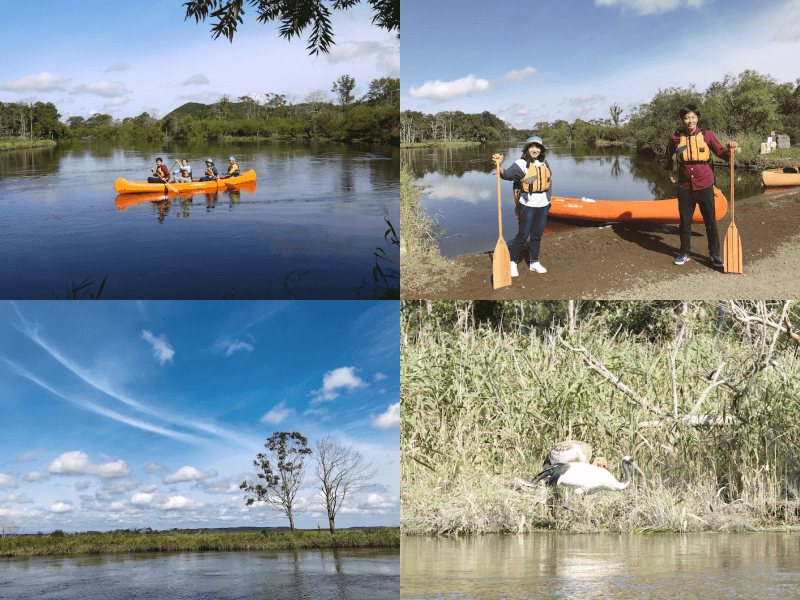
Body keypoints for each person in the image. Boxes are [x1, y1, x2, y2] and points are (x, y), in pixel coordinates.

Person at [664, 104, 738, 268]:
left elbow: (721, 152)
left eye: (692, 117)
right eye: (686, 117)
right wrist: (670, 173)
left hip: (705, 184)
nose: (690, 120)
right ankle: (684, 253)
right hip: (685, 186)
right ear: (683, 120)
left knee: (710, 222)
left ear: (697, 118)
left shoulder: (707, 135)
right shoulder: (675, 138)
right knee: (684, 222)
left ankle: (715, 255)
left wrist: (730, 150)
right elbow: (668, 156)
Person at [492, 136, 552, 277]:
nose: (535, 150)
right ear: (527, 149)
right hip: (527, 204)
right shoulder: (521, 163)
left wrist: (549, 201)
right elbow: (506, 175)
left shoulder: (544, 163)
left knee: (537, 234)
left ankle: (534, 262)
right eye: (532, 147)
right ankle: (512, 262)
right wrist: (499, 165)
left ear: (541, 150)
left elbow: (549, 181)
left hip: (543, 204)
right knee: (523, 234)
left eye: (537, 147)